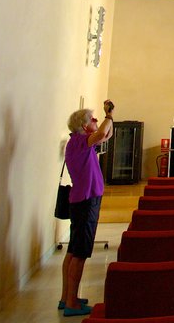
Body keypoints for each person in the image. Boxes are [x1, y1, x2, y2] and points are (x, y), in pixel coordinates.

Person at [59, 100, 114, 316]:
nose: (96, 121)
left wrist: (110, 116)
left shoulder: (80, 142)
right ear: (84, 126)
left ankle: (67, 297)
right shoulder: (79, 142)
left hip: (83, 200)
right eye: (93, 119)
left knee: (73, 250)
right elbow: (102, 134)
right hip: (86, 200)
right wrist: (108, 116)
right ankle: (72, 303)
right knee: (79, 253)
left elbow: (106, 135)